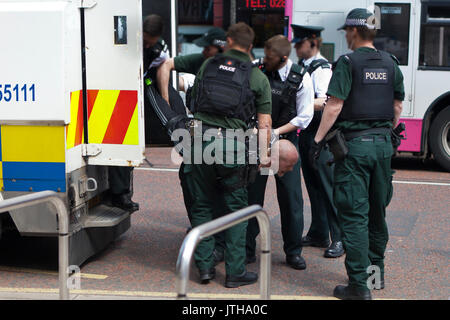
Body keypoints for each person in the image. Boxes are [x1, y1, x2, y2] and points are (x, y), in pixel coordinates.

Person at [310, 8, 404, 300]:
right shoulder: (391, 63)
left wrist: (317, 139)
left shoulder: (347, 63)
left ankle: (359, 287)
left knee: (354, 217)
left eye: (346, 32)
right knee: (377, 214)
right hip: (383, 147)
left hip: (355, 150)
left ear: (353, 31)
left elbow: (334, 105)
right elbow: (397, 107)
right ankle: (375, 277)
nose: (346, 37)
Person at [187, 22, 272, 288]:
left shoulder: (208, 65)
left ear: (228, 40)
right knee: (236, 211)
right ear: (250, 46)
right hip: (232, 148)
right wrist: (262, 156)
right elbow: (264, 124)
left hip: (199, 143)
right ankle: (235, 273)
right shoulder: (257, 77)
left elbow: (194, 100)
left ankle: (204, 267)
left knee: (201, 205)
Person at [156, 27, 228, 264]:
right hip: (200, 133)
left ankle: (225, 245)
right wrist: (166, 99)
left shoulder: (241, 67)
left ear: (221, 47)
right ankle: (204, 235)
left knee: (227, 190)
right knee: (190, 180)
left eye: (207, 47)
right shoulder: (202, 60)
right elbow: (166, 65)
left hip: (231, 136)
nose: (203, 51)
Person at [246, 35, 314, 270]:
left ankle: (293, 251)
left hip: (286, 143)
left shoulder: (301, 77)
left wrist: (275, 132)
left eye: (270, 57)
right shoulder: (257, 69)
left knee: (291, 200)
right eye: (264, 55)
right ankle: (246, 248)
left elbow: (304, 117)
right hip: (257, 141)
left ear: (284, 58)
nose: (265, 60)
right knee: (252, 196)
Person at [291, 24, 344, 258]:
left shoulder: (321, 68)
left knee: (328, 186)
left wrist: (298, 102)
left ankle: (339, 237)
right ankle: (319, 232)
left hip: (320, 133)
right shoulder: (304, 66)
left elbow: (325, 102)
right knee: (313, 185)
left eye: (299, 43)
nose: (295, 47)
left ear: (312, 43)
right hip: (308, 132)